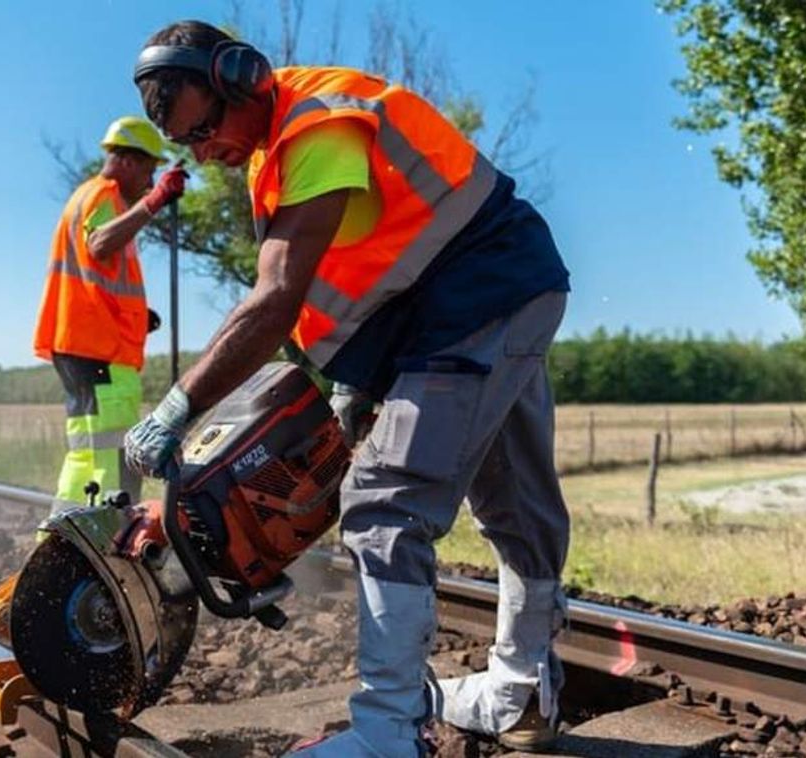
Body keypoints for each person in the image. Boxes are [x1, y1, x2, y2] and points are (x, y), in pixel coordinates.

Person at [123, 21, 571, 756]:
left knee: (385, 504)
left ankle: (386, 735)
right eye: (187, 145)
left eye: (203, 129)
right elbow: (362, 281)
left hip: (474, 301)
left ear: (241, 76)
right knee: (515, 502)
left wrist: (178, 408)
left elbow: (273, 300)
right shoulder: (282, 149)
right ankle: (523, 693)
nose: (202, 154)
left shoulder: (316, 126)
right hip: (494, 292)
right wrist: (346, 394)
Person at [0, 116, 186, 641]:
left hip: (95, 346)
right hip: (96, 353)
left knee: (94, 459)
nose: (150, 178)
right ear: (131, 161)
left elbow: (102, 278)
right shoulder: (104, 195)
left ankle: (69, 555)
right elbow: (100, 246)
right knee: (111, 467)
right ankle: (81, 565)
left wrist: (142, 316)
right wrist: (155, 202)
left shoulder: (94, 197)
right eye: (150, 170)